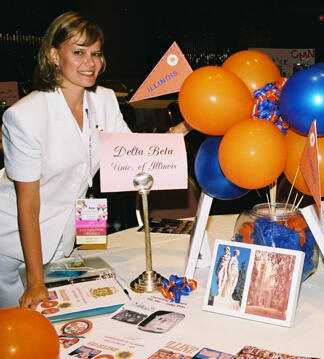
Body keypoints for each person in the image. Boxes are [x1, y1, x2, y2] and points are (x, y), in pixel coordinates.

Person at [0, 12, 190, 309]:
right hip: (12, 248)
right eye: (78, 52)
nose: (91, 63)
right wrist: (35, 281)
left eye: (96, 54)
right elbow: (28, 204)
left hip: (64, 242)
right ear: (53, 55)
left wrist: (188, 124)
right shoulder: (24, 116)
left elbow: (136, 154)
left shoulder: (103, 99)